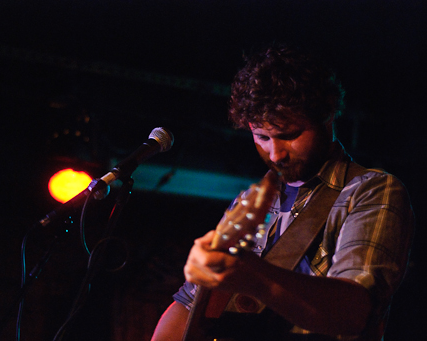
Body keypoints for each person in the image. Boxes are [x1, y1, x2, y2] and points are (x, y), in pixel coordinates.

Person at [151, 45, 414, 340]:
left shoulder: (371, 190)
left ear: (326, 116)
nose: (275, 154)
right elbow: (190, 304)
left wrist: (253, 276)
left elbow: (352, 313)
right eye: (261, 136)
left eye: (289, 135)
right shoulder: (248, 202)